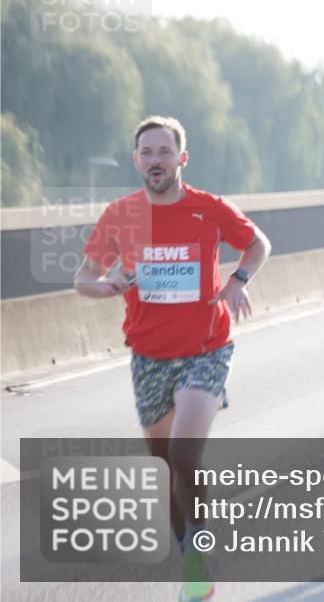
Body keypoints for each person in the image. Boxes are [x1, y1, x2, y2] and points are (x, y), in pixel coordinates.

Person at [74, 116, 272, 602]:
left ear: (182, 159)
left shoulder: (207, 208)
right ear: (136, 160)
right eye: (147, 152)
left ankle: (198, 558)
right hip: (148, 354)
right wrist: (103, 287)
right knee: (163, 467)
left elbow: (258, 244)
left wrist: (236, 283)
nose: (156, 160)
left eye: (165, 151)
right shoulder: (121, 214)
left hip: (206, 348)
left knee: (186, 456)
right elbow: (83, 276)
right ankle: (188, 546)